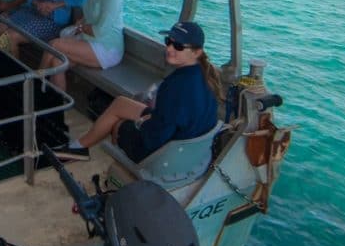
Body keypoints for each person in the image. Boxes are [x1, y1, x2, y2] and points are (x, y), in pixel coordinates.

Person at [54, 21, 220, 163]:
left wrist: (140, 124)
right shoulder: (206, 77)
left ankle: (121, 168)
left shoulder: (175, 87)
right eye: (168, 41)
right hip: (188, 147)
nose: (170, 48)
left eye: (178, 46)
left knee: (119, 125)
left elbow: (153, 139)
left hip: (167, 154)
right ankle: (79, 147)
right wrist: (153, 117)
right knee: (120, 103)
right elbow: (175, 117)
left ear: (197, 52)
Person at [40, 0, 124, 91]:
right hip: (88, 39)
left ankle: (35, 79)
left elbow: (99, 31)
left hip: (107, 48)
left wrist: (80, 27)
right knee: (56, 62)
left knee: (54, 45)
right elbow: (90, 13)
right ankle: (58, 105)